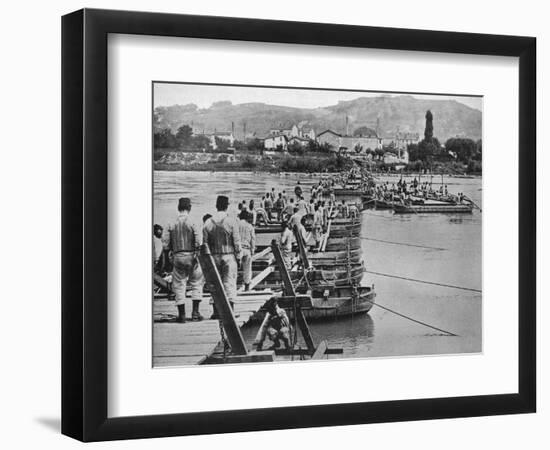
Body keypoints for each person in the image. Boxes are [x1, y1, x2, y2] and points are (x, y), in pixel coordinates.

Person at [165, 198, 204, 323]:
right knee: (196, 283)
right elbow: (199, 240)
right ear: (190, 207)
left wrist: (171, 250)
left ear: (178, 207)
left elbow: (165, 243)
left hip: (177, 255)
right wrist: (197, 251)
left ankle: (181, 315)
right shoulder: (193, 221)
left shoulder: (171, 222)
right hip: (192, 255)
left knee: (179, 285)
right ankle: (195, 312)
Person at [203, 195, 242, 318]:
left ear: (216, 206)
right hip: (229, 256)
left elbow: (204, 244)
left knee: (215, 284)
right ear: (227, 206)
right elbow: (237, 242)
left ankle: (216, 312)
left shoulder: (208, 223)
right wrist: (239, 257)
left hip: (213, 256)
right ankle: (230, 311)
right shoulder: (232, 221)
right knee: (229, 283)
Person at [238, 210, 255, 292]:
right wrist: (252, 250)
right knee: (247, 269)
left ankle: (232, 286)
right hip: (247, 248)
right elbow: (253, 240)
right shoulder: (250, 226)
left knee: (235, 268)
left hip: (238, 249)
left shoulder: (236, 225)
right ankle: (247, 287)